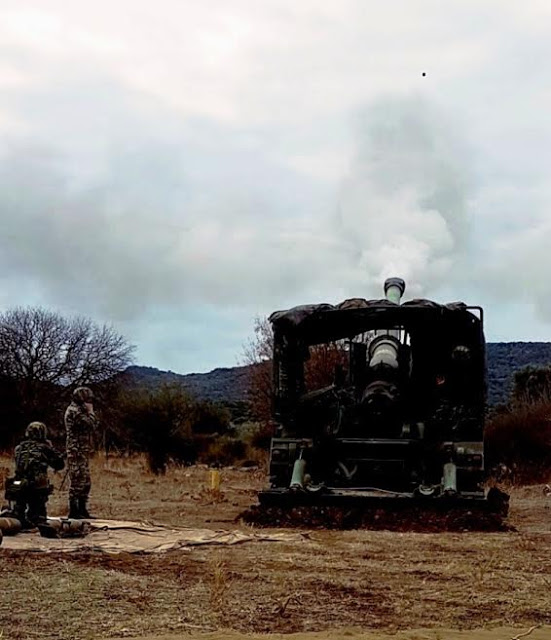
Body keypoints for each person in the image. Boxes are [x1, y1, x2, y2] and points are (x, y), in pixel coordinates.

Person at [10, 421, 64, 528]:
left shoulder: (18, 448)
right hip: (36, 486)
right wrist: (51, 448)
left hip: (18, 483)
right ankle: (36, 516)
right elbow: (59, 465)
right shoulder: (44, 448)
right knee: (38, 516)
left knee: (19, 507)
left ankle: (18, 514)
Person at [64, 386, 98, 519]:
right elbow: (91, 424)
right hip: (76, 451)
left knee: (86, 481)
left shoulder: (79, 410)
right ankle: (74, 511)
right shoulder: (74, 411)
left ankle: (82, 510)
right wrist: (91, 412)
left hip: (82, 451)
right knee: (77, 480)